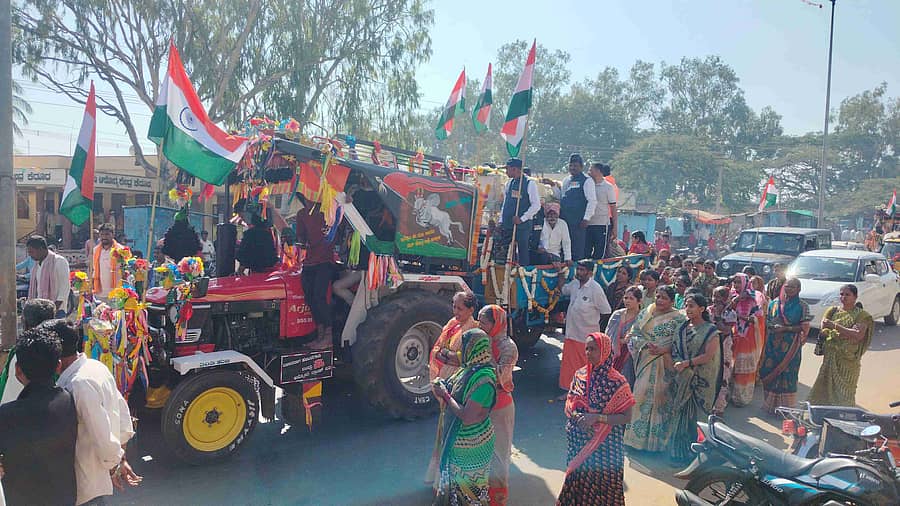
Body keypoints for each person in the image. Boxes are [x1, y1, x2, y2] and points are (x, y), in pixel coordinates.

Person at [53, 319, 140, 505]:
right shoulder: (95, 367)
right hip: (96, 476)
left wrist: (114, 463)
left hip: (86, 480)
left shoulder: (78, 384)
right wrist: (120, 458)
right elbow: (122, 415)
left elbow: (101, 432)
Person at [0, 326, 77, 505]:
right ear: (58, 365)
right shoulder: (66, 399)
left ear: (18, 370)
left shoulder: (7, 414)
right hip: (64, 499)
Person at [556, 332, 634, 506]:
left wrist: (597, 418)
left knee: (603, 490)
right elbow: (570, 402)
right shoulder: (580, 375)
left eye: (593, 349)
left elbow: (627, 416)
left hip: (605, 448)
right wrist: (576, 416)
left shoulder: (617, 382)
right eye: (587, 349)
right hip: (578, 444)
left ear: (605, 351)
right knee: (578, 486)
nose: (588, 353)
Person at [431, 329, 497, 505]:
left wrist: (445, 394)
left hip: (473, 444)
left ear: (474, 349)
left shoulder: (484, 379)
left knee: (470, 495)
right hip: (460, 443)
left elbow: (467, 416)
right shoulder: (468, 369)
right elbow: (455, 390)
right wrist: (444, 385)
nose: (461, 351)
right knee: (457, 493)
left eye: (465, 347)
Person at [623, 285, 686, 452]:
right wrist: (644, 344)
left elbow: (683, 344)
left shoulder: (679, 319)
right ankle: (635, 441)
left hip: (665, 364)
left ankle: (656, 444)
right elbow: (634, 333)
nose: (659, 300)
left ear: (672, 301)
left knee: (661, 399)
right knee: (640, 395)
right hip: (646, 359)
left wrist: (665, 350)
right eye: (657, 296)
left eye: (664, 298)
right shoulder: (647, 312)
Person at [426, 292, 479, 486]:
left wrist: (445, 355)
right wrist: (446, 355)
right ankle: (441, 480)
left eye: (460, 308)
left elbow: (463, 358)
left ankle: (453, 481)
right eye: (454, 307)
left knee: (454, 431)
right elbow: (438, 348)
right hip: (445, 382)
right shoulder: (452, 324)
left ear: (471, 310)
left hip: (459, 385)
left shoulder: (473, 330)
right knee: (443, 429)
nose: (455, 311)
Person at [664, 292, 720, 462]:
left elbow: (708, 356)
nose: (687, 309)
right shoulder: (682, 328)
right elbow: (674, 349)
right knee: (679, 415)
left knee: (695, 419)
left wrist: (686, 364)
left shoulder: (711, 331)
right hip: (681, 378)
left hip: (699, 382)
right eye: (686, 305)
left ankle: (699, 454)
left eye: (691, 306)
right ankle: (678, 452)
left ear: (702, 309)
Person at [477, 305, 518, 506]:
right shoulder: (482, 341)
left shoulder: (508, 347)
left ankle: (497, 501)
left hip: (500, 406)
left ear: (496, 324)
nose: (479, 325)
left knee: (499, 457)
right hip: (481, 405)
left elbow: (499, 377)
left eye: (483, 322)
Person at [808, 284, 874, 406]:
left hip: (848, 361)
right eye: (841, 294)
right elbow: (823, 329)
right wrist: (845, 332)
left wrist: (835, 327)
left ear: (855, 297)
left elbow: (858, 335)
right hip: (830, 358)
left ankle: (844, 420)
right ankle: (822, 417)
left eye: (847, 294)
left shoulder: (862, 316)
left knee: (845, 393)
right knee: (823, 389)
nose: (843, 297)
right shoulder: (832, 311)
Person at [558, 260, 612, 398]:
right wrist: (560, 276)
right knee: (570, 365)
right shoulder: (575, 284)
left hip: (586, 337)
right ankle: (570, 391)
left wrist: (597, 332)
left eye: (582, 270)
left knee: (586, 366)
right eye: (578, 269)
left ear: (590, 272)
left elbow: (606, 310)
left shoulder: (595, 289)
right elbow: (563, 289)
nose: (579, 272)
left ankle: (586, 393)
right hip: (571, 333)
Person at [760, 278, 811, 414]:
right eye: (787, 286)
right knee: (769, 370)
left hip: (790, 346)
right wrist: (773, 327)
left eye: (792, 287)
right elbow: (768, 320)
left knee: (788, 374)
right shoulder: (775, 303)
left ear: (799, 289)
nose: (788, 289)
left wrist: (785, 329)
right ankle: (770, 406)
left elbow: (804, 327)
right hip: (772, 343)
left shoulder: (802, 306)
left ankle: (786, 409)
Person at [295, 196, 338, 349]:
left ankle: (328, 336)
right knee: (310, 298)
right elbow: (301, 237)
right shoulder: (301, 214)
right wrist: (300, 241)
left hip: (325, 261)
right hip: (309, 261)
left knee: (319, 296)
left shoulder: (329, 212)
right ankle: (320, 335)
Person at [0, 298, 57, 406]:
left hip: (10, 415)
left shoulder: (17, 352)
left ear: (25, 323)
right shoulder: (57, 353)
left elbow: (3, 384)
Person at [549, 153, 597, 261]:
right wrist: (552, 185)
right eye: (570, 165)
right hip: (564, 220)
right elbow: (560, 196)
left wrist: (586, 218)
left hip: (578, 222)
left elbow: (592, 201)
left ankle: (576, 273)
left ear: (581, 166)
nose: (572, 168)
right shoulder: (566, 180)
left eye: (575, 165)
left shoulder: (587, 180)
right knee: (562, 247)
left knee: (576, 249)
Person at [499, 158, 541, 266]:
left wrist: (522, 218)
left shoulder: (529, 183)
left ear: (514, 169)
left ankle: (522, 273)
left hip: (522, 226)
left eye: (507, 169)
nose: (506, 172)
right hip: (508, 224)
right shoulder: (509, 183)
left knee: (522, 251)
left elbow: (536, 205)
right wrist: (501, 220)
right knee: (506, 250)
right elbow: (505, 203)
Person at [730, 273, 763, 407]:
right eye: (735, 282)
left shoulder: (754, 297)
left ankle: (742, 397)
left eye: (739, 282)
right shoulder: (732, 296)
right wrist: (737, 300)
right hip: (734, 336)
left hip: (748, 338)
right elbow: (725, 310)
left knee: (745, 368)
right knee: (732, 367)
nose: (736, 285)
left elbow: (758, 316)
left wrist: (744, 318)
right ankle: (729, 394)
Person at [26, 235, 71, 318]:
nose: (30, 255)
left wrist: (52, 309)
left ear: (41, 249)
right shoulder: (36, 265)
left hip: (56, 311)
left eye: (32, 252)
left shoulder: (59, 261)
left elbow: (65, 288)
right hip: (39, 311)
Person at [709, 286, 738, 415]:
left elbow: (725, 330)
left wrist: (718, 316)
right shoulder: (709, 310)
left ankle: (719, 406)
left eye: (719, 297)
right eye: (714, 296)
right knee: (710, 373)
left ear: (726, 299)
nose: (715, 300)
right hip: (710, 345)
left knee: (723, 375)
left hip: (724, 344)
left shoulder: (730, 313)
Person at [608, 286, 643, 387]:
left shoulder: (642, 318)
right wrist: (619, 341)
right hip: (613, 354)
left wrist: (628, 340)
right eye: (625, 298)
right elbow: (608, 334)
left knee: (626, 382)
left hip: (630, 357)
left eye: (631, 298)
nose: (627, 301)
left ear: (639, 301)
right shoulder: (617, 314)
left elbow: (643, 337)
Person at [235, 200, 280, 274]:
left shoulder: (252, 234)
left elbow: (244, 256)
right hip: (272, 273)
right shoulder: (271, 230)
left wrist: (240, 270)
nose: (242, 219)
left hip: (258, 275)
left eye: (242, 216)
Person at [585, 162, 617, 260]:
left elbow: (613, 207)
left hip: (602, 224)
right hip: (587, 223)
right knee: (585, 252)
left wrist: (615, 227)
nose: (588, 172)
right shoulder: (587, 184)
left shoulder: (608, 187)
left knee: (599, 253)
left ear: (598, 171)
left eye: (591, 170)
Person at [92, 223, 123, 303]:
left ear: (113, 234)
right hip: (100, 293)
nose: (104, 237)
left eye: (107, 234)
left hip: (116, 293)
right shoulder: (96, 250)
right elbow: (94, 270)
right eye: (102, 234)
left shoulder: (121, 250)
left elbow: (126, 270)